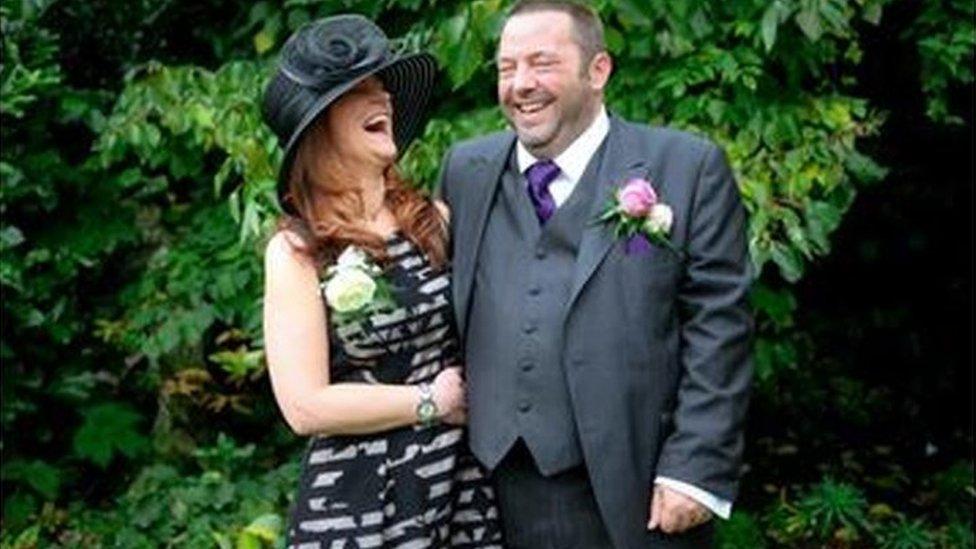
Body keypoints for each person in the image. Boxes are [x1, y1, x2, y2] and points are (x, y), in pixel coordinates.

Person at [438, 1, 753, 547]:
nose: (521, 84)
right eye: (507, 67)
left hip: (627, 489)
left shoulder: (686, 167)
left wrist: (695, 470)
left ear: (599, 70)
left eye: (542, 63)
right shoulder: (466, 170)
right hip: (481, 491)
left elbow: (719, 329)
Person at [261, 15, 503, 548]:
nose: (385, 98)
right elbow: (304, 406)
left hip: (459, 489)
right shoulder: (298, 250)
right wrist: (430, 402)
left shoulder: (434, 220)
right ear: (319, 124)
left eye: (384, 87)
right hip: (359, 502)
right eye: (363, 91)